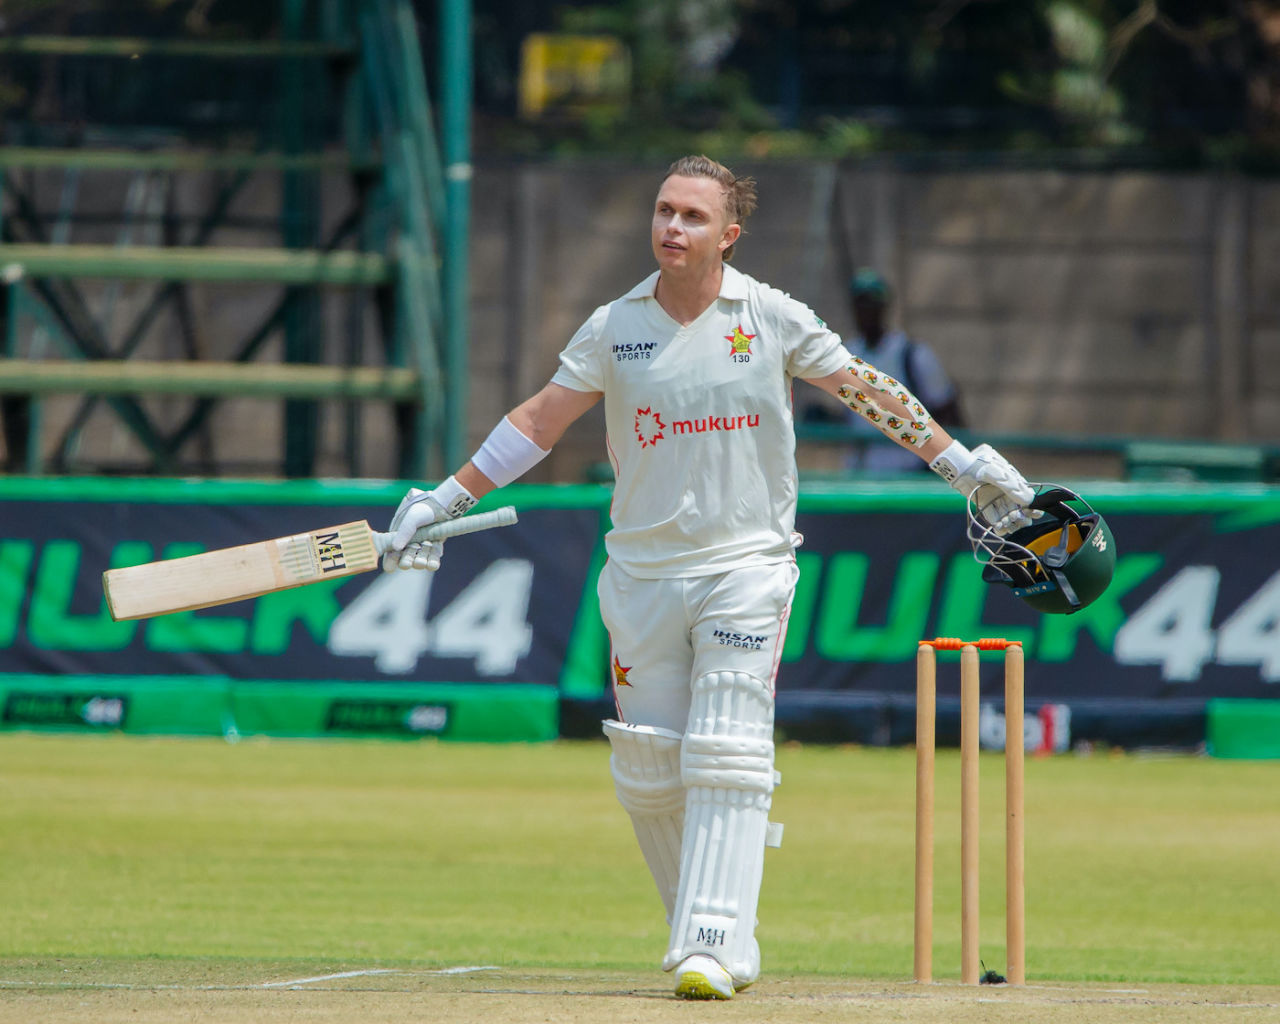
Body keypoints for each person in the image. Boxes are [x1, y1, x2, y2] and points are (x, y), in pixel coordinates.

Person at [380, 155, 1038, 1000]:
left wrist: (962, 468)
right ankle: (719, 937)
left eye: (692, 216)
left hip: (746, 565)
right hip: (641, 573)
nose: (672, 227)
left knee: (727, 747)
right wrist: (444, 498)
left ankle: (711, 944)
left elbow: (867, 390)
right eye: (664, 211)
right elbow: (540, 422)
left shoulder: (770, 315)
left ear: (729, 234)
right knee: (649, 771)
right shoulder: (615, 326)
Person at [841, 267, 965, 474]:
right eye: (860, 304)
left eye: (871, 303)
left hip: (908, 470)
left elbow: (946, 409)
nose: (865, 311)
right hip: (861, 472)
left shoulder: (912, 354)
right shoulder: (847, 352)